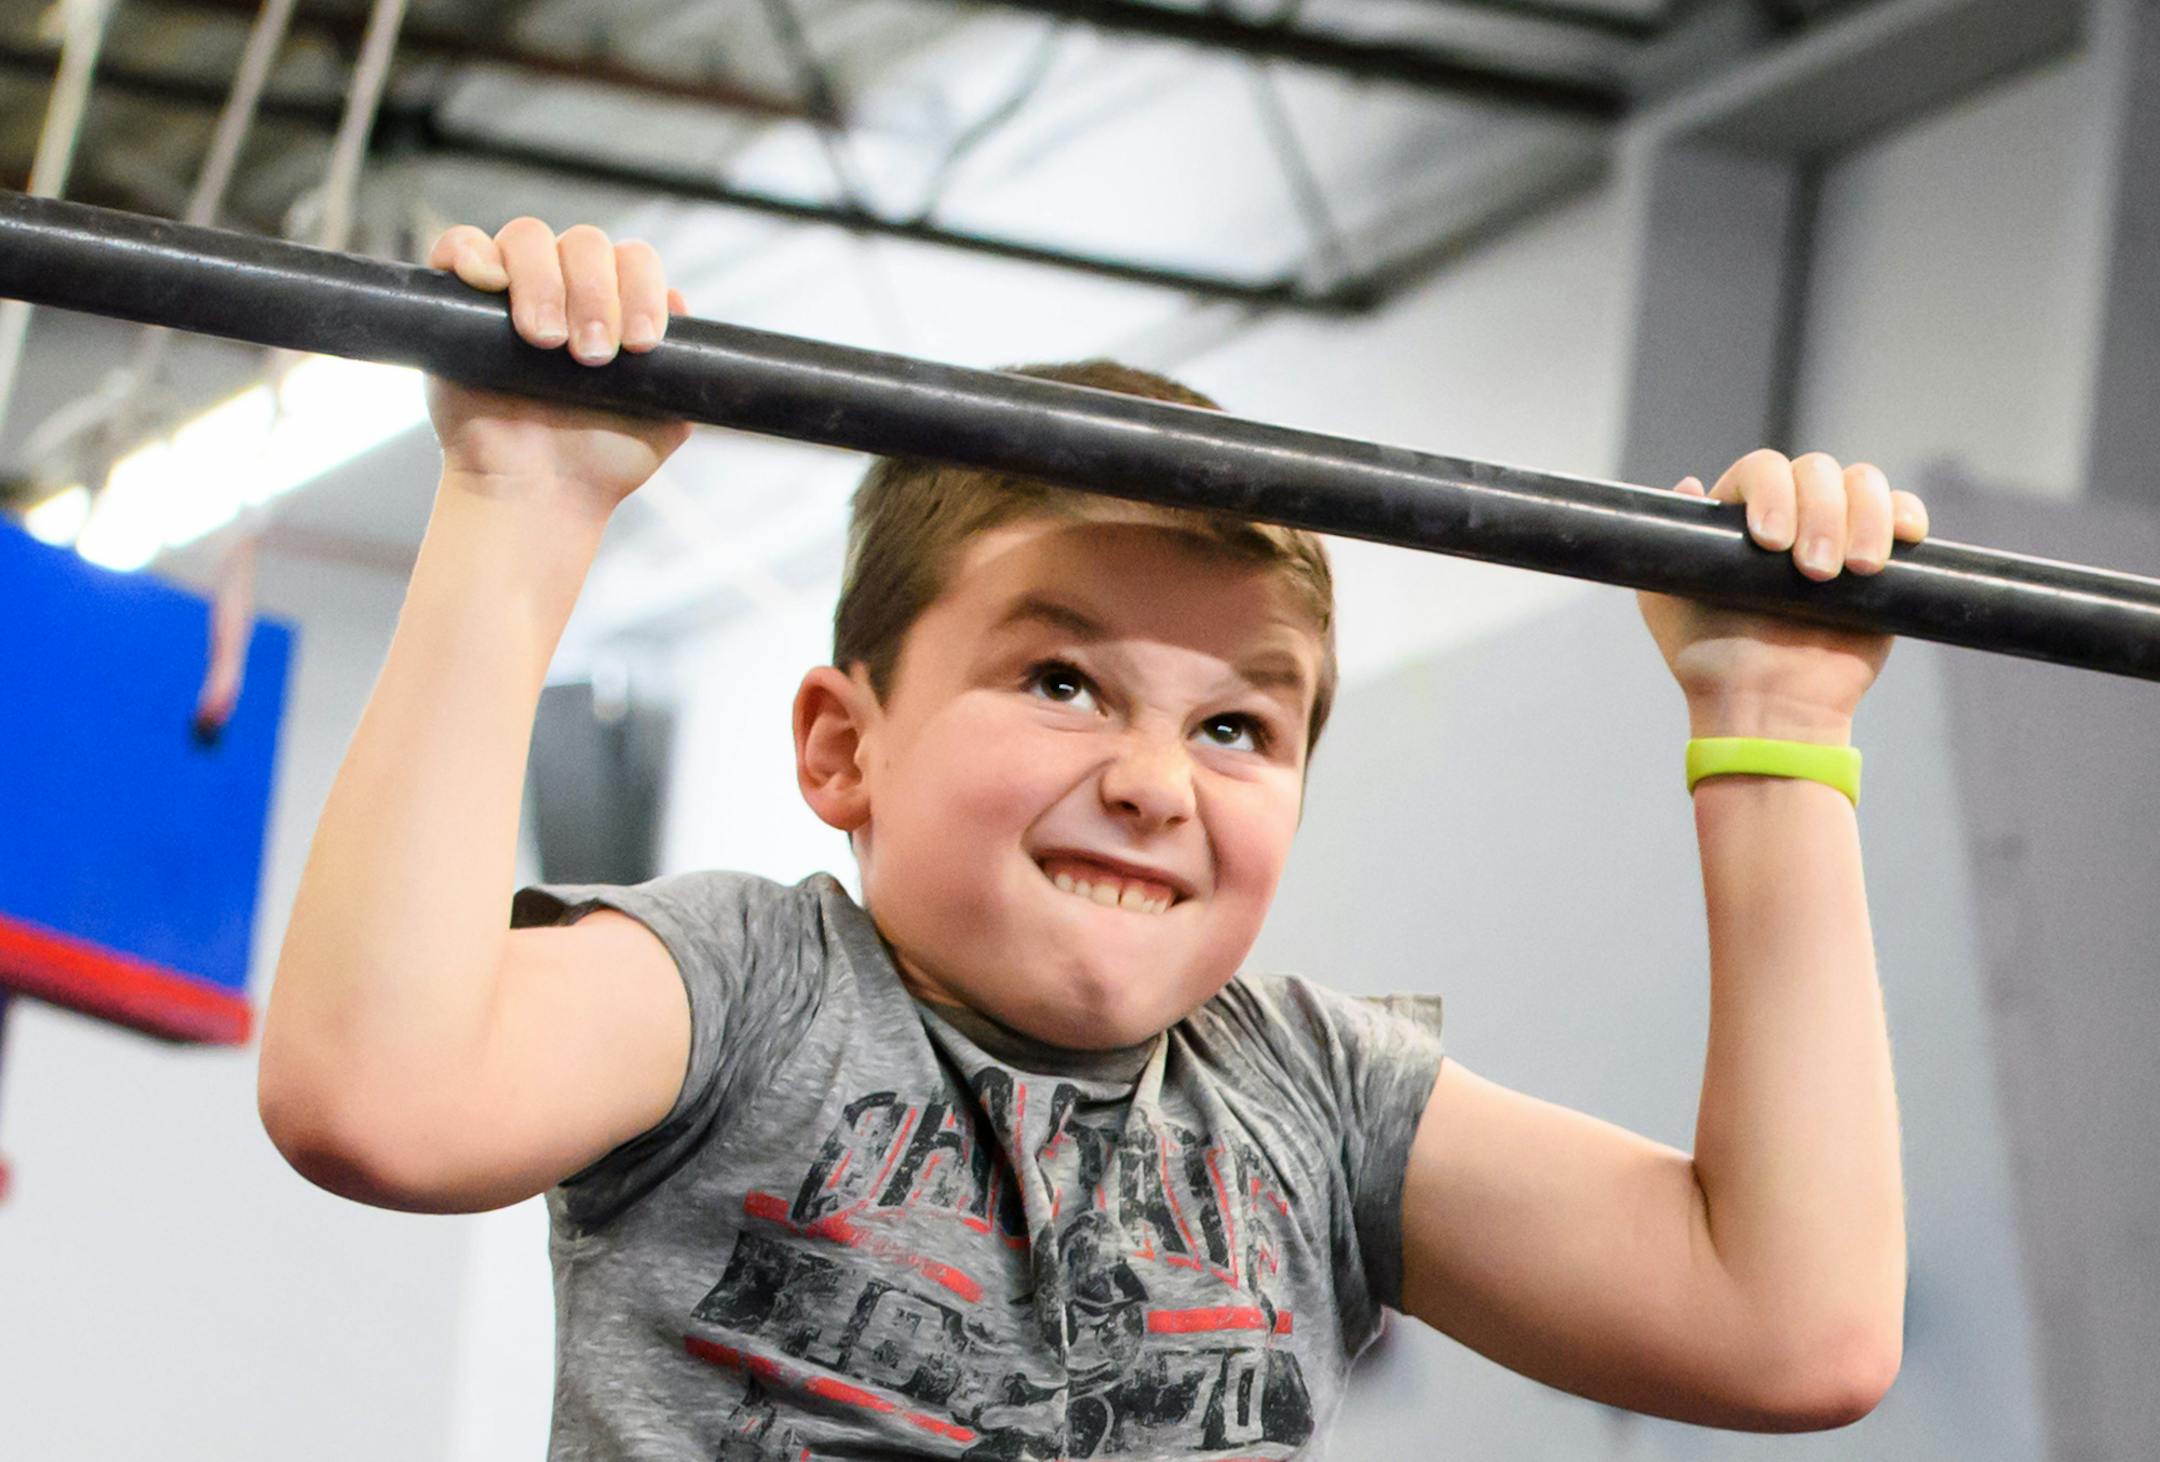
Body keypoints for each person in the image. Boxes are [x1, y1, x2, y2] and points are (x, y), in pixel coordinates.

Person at [259, 218, 1925, 1458]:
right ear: (845, 745)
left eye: (1236, 726)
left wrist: (1772, 719)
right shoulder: (751, 986)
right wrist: (522, 503)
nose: (1154, 780)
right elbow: (379, 1100)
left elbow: (1789, 1328)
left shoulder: (1311, 1096)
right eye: (1063, 679)